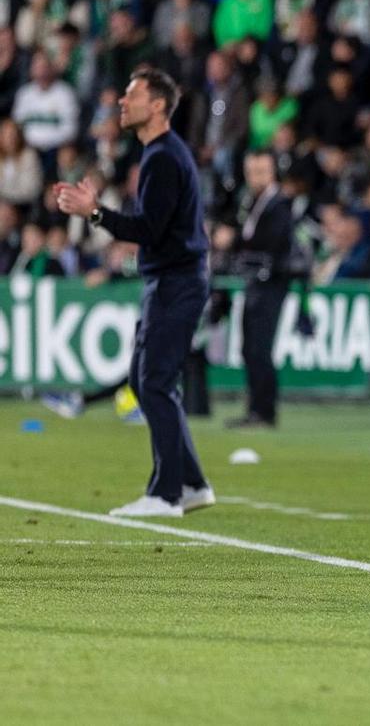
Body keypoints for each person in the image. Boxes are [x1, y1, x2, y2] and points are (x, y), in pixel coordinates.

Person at [55, 67, 213, 518]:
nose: (122, 102)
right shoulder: (160, 154)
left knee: (155, 382)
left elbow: (150, 230)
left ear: (158, 104)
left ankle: (166, 494)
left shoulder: (163, 157)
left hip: (176, 281)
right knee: (147, 380)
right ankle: (191, 482)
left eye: (132, 94)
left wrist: (96, 213)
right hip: (169, 280)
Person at [226, 149, 293, 428]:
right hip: (256, 282)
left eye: (261, 171)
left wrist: (237, 242)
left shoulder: (278, 204)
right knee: (249, 347)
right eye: (252, 172)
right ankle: (255, 408)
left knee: (259, 347)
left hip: (271, 283)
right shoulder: (253, 202)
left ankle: (264, 411)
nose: (256, 178)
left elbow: (272, 241)